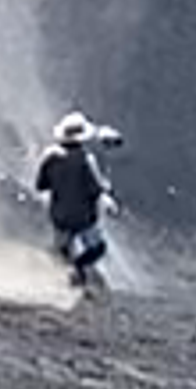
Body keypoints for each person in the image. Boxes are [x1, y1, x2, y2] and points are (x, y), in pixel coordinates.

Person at [31, 111, 120, 291]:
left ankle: (62, 277)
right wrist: (108, 199)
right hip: (83, 218)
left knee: (62, 249)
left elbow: (41, 185)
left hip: (59, 217)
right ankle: (79, 269)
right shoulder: (86, 160)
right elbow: (95, 189)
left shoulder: (50, 158)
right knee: (97, 248)